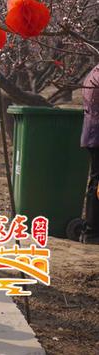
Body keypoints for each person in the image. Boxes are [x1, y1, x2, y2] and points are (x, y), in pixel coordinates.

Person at [81, 63, 99, 244]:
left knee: (95, 182)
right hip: (97, 135)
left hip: (93, 134)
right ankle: (92, 231)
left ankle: (91, 230)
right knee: (96, 184)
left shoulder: (94, 71)